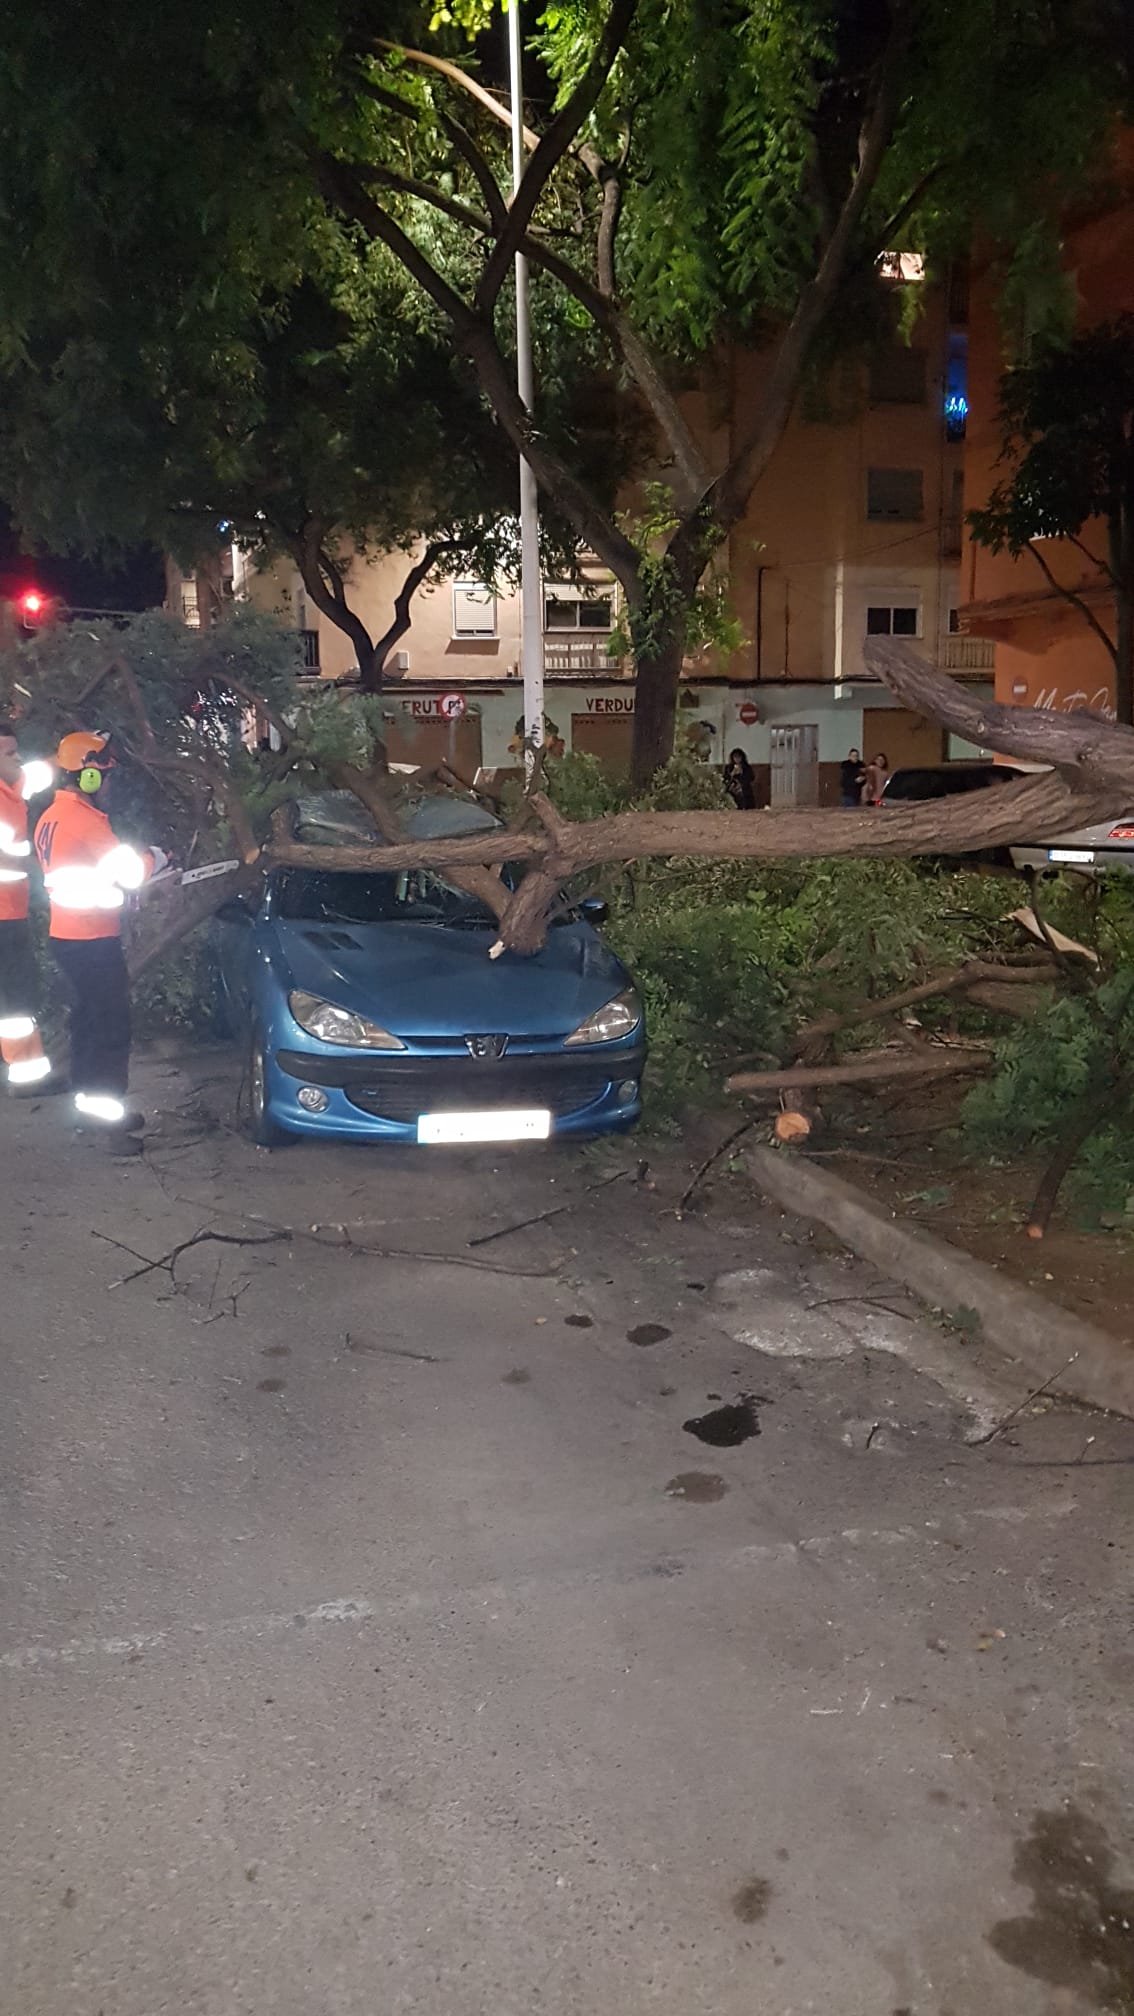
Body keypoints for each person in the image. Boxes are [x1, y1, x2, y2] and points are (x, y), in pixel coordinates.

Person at [33, 732, 166, 1153]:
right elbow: (130, 872)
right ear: (87, 777)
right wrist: (157, 858)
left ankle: (88, 1110)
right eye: (105, 777)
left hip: (69, 936)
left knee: (88, 1026)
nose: (110, 785)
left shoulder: (51, 817)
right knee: (109, 1029)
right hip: (92, 940)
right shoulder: (83, 822)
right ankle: (109, 1128)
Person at [0, 722, 54, 1092]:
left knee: (17, 994)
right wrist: (41, 866)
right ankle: (24, 1074)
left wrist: (72, 752)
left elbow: (41, 771)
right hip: (3, 916)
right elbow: (11, 861)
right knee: (16, 997)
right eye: (9, 753)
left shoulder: (13, 786)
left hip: (11, 912)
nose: (18, 758)